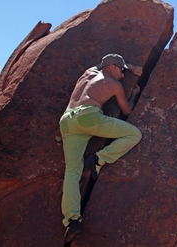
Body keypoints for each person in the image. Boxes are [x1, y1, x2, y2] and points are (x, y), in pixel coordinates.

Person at [59, 53, 143, 242]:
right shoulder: (114, 84)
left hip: (67, 121)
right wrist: (136, 94)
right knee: (134, 134)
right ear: (112, 67)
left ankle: (72, 220)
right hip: (88, 117)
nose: (123, 75)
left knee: (72, 171)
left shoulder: (87, 73)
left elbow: (101, 63)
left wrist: (128, 66)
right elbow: (127, 110)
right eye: (121, 70)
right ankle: (99, 159)